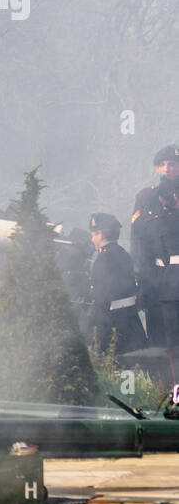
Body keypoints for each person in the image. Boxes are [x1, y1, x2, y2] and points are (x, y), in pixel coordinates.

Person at [132, 144, 179, 376]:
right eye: (164, 164)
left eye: (173, 164)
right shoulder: (147, 197)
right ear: (157, 168)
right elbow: (139, 244)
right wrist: (146, 281)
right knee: (162, 345)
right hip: (158, 283)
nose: (169, 169)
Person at [84, 213, 147, 354]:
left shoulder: (104, 258)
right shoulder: (122, 253)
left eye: (93, 235)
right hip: (130, 320)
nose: (92, 239)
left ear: (100, 234)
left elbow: (101, 297)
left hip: (112, 323)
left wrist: (91, 325)